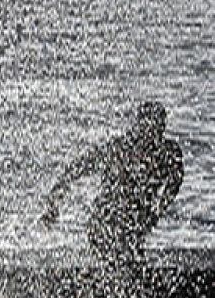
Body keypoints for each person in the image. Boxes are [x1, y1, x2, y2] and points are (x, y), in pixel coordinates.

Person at [42, 100, 184, 264]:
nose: (155, 133)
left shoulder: (168, 154)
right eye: (151, 126)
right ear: (139, 125)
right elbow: (75, 170)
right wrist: (53, 204)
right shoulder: (119, 149)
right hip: (105, 224)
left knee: (131, 255)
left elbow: (175, 182)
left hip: (134, 224)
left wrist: (158, 210)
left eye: (159, 126)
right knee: (122, 257)